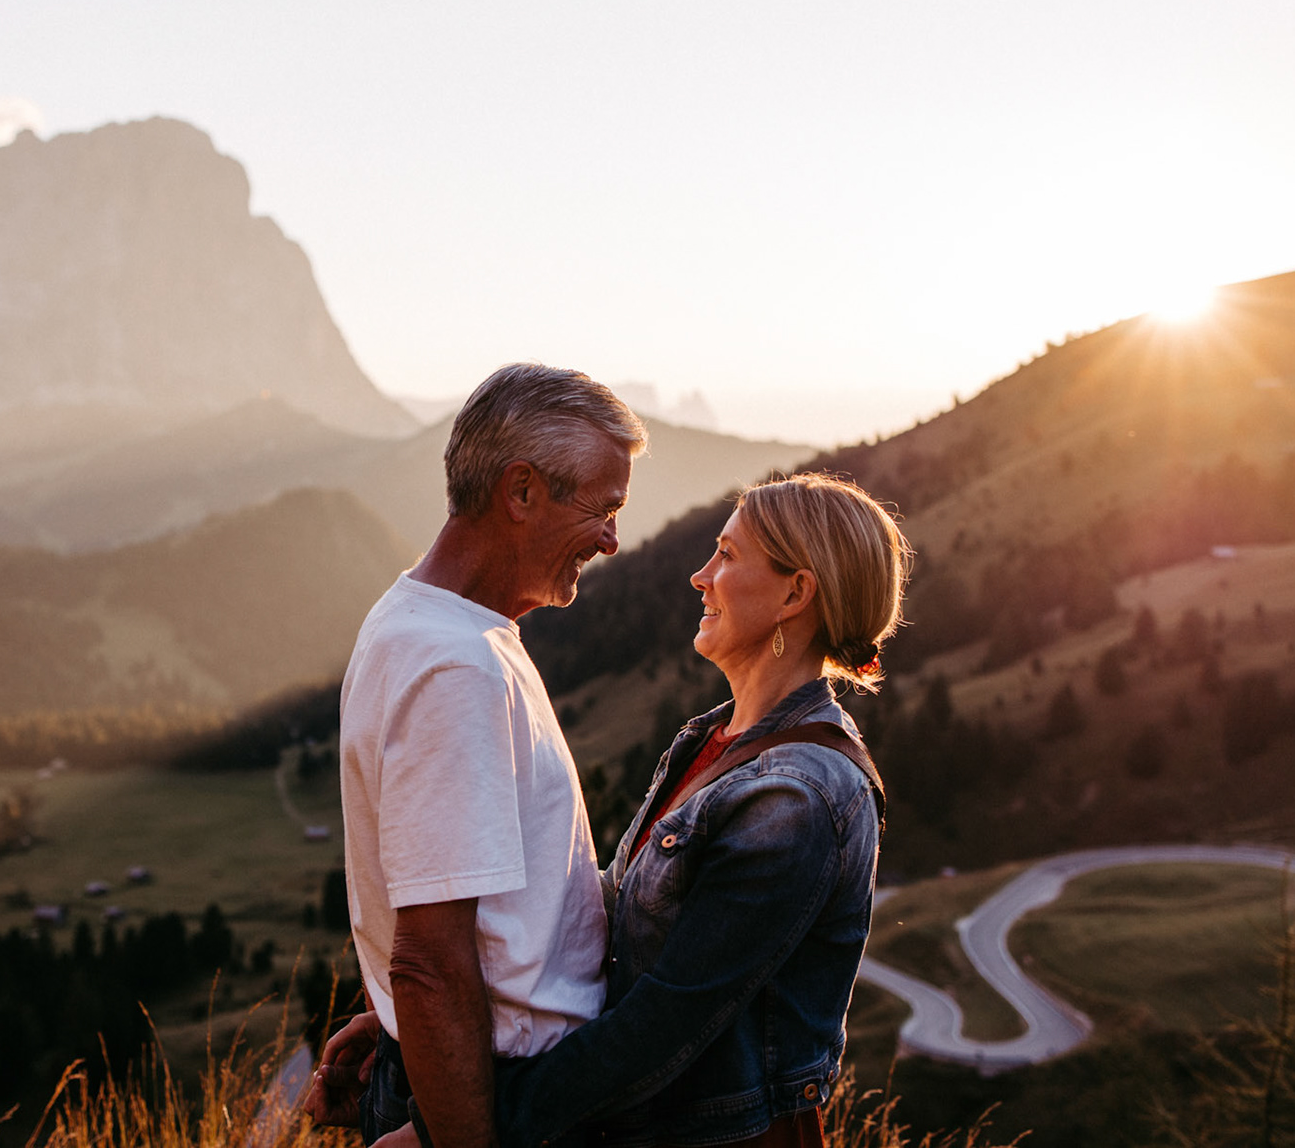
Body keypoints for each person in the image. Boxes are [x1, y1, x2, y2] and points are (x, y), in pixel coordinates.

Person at [322, 471, 910, 1148]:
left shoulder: (796, 797)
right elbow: (601, 923)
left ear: (794, 594)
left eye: (726, 555)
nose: (700, 576)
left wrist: (449, 1127)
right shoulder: (712, 741)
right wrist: (418, 1033)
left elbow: (660, 1026)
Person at [309, 363, 648, 1147]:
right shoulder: (455, 666)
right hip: (503, 1099)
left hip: (468, 1072)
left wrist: (398, 1026)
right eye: (602, 508)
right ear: (521, 491)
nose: (611, 540)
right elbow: (429, 960)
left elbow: (460, 911)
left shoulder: (422, 621)